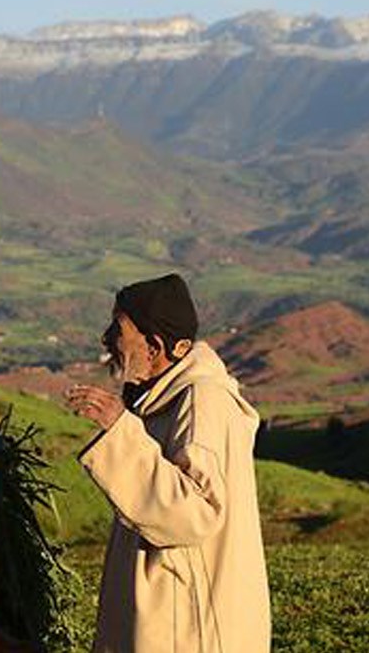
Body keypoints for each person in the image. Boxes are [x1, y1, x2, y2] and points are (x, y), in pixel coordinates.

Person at [66, 274, 272, 653]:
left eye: (119, 328)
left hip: (190, 630)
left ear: (155, 345)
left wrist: (120, 432)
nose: (107, 338)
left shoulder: (201, 402)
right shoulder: (163, 401)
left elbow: (194, 514)